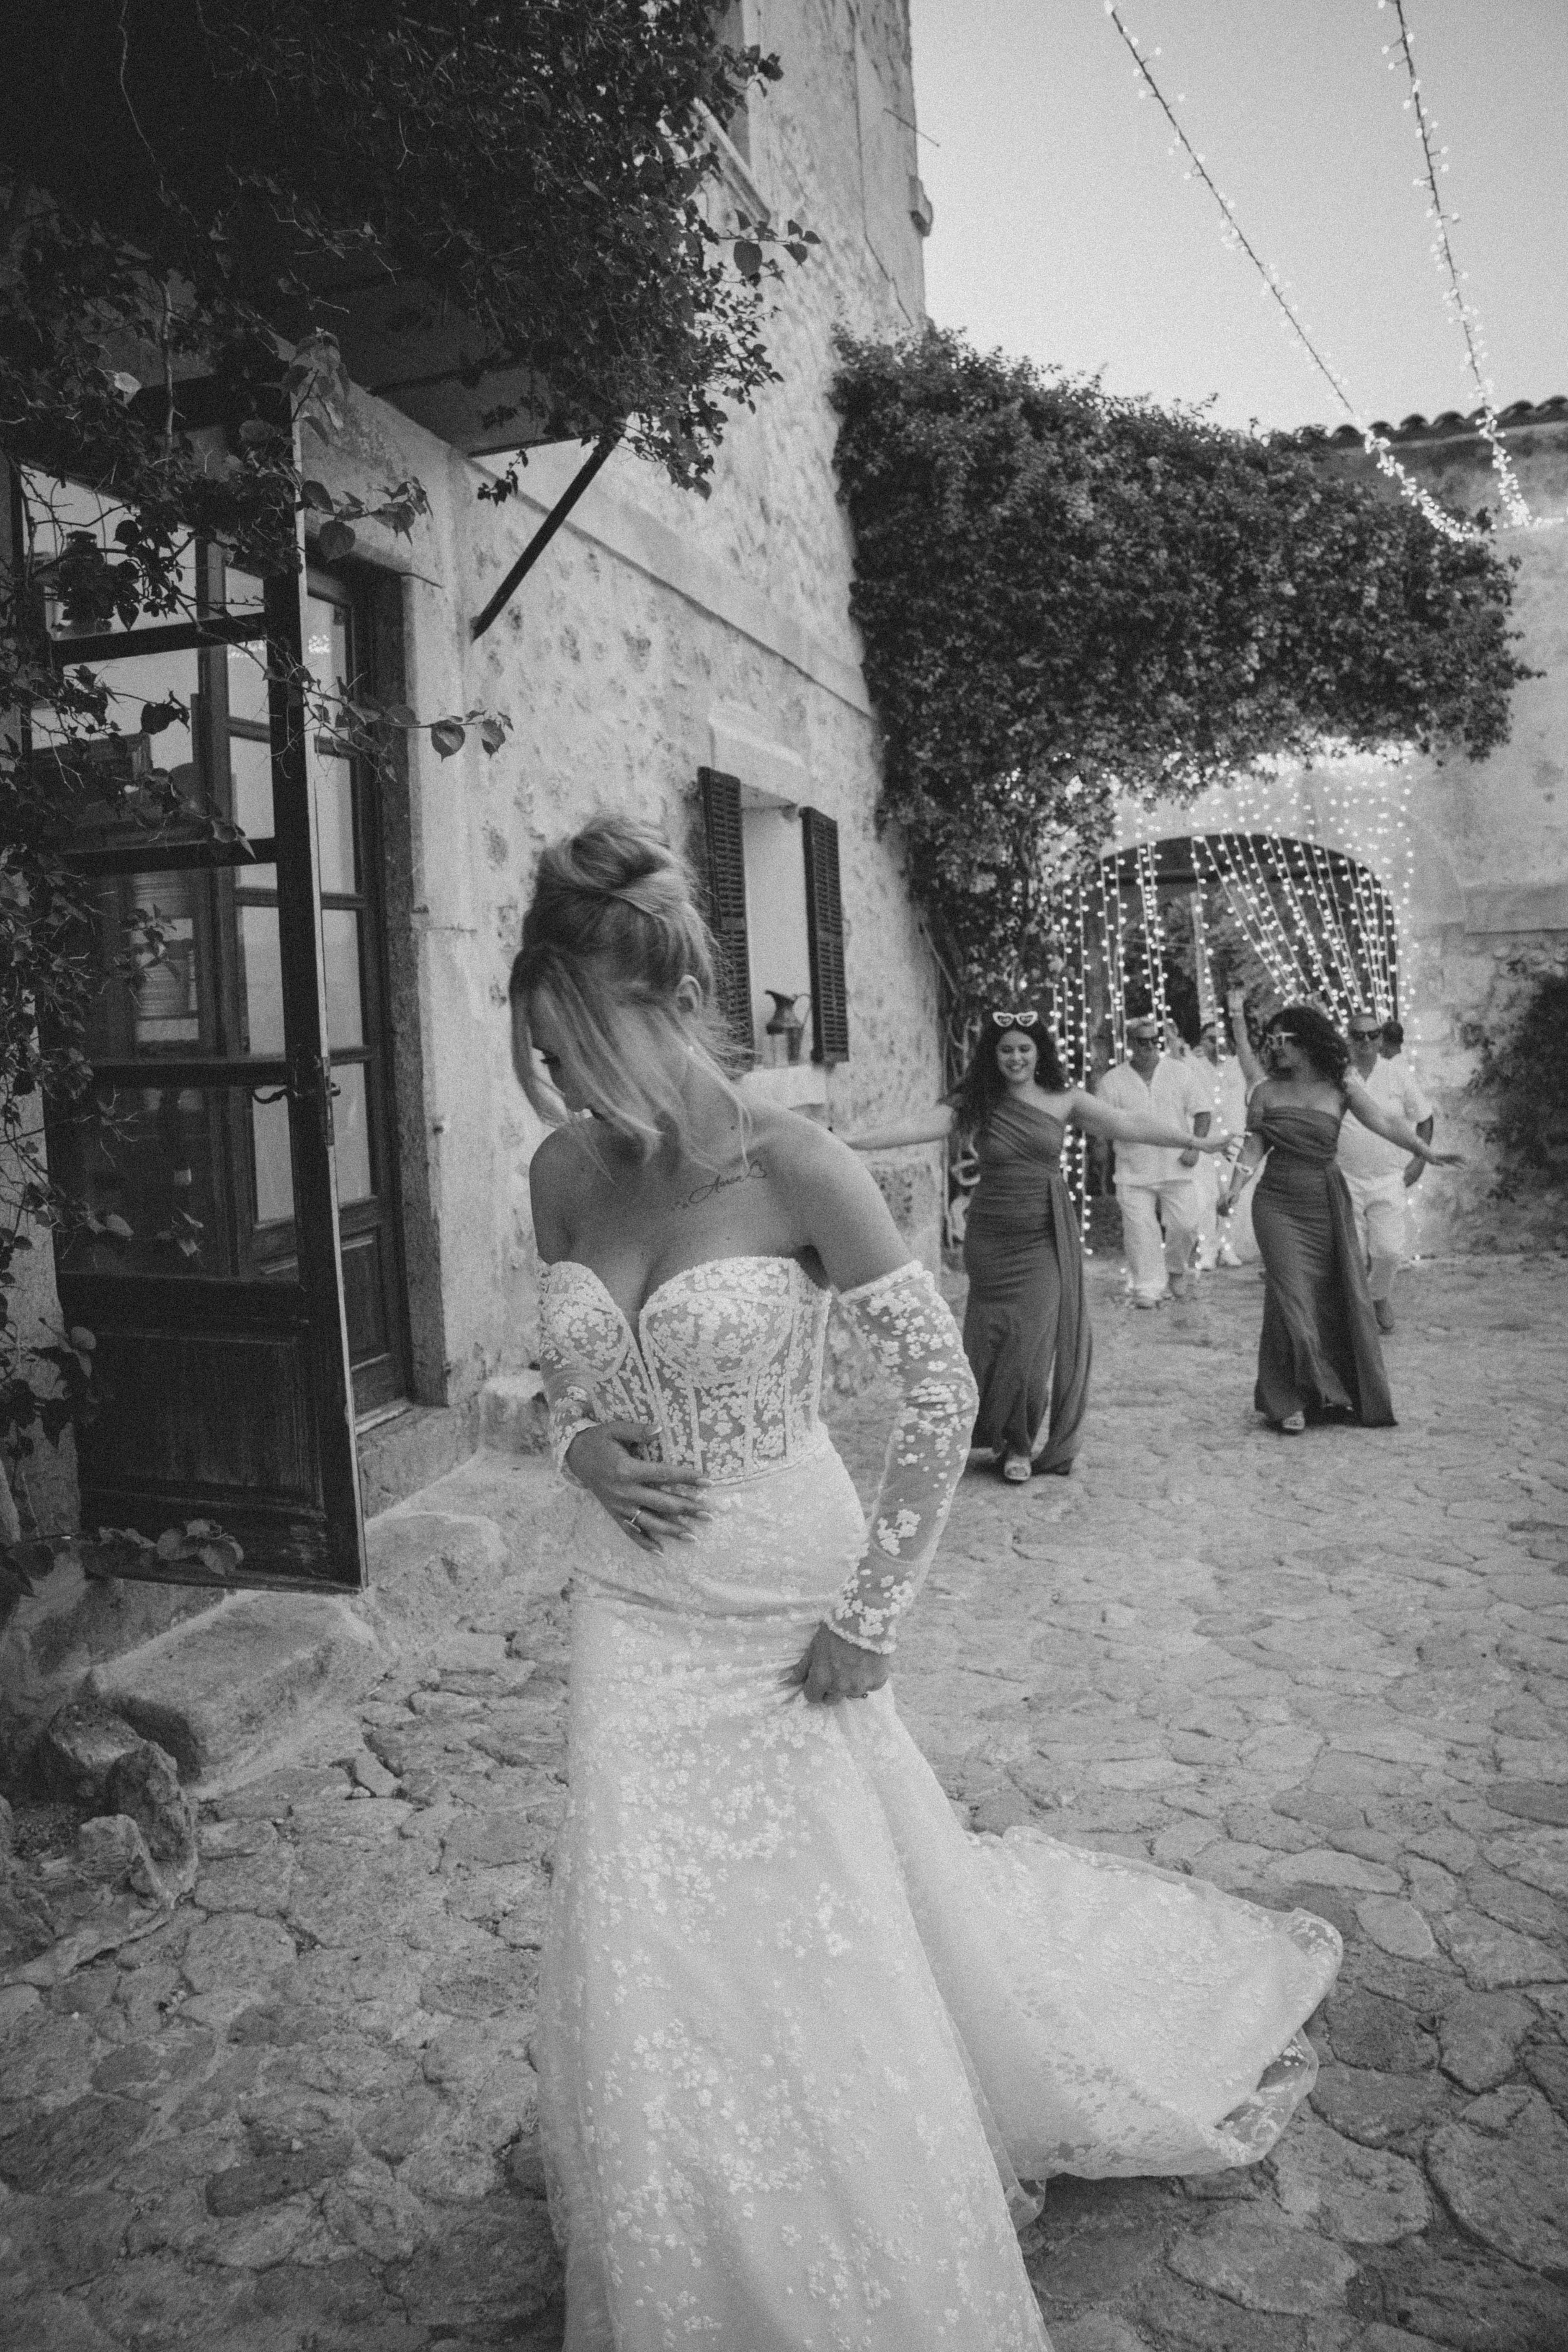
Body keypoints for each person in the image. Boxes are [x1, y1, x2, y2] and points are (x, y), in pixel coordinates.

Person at [514, 817, 1340, 2350]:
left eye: (571, 1034)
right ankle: (677, 2213)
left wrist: (869, 1616)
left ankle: (844, 2199)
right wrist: (574, 1447)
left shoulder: (796, 1160)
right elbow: (550, 1375)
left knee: (808, 1914)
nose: (556, 1072)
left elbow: (942, 1391)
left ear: (652, 1001)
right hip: (627, 1608)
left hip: (784, 1604)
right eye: (541, 1039)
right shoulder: (566, 1169)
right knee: (651, 1915)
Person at [843, 1006, 1232, 1482]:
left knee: (1031, 1348)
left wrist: (1200, 1141)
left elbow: (1127, 1124)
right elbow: (918, 1127)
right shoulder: (977, 1099)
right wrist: (855, 1142)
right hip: (991, 1236)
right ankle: (990, 1434)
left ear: (1039, 1052)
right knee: (988, 1343)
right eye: (1006, 1050)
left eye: (1024, 1049)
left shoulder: (1064, 1098)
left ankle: (1020, 1446)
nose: (1015, 1058)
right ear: (994, 1054)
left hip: (1044, 1235)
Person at [1218, 1003, 1460, 1434]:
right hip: (1276, 1204)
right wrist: (1234, 1189)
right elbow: (1255, 1146)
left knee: (1326, 1299)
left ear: (1305, 1043)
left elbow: (1386, 1121)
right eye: (1269, 1043)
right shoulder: (1265, 1093)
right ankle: (1288, 1399)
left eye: (1281, 1042)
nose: (1274, 1051)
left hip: (1325, 1202)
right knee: (1291, 1296)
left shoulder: (1341, 1086)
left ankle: (1324, 1392)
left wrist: (1424, 1152)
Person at [1096, 1014, 1215, 1307]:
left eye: (1154, 1041)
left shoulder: (1179, 1072)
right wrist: (1101, 1153)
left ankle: (1176, 1270)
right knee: (1141, 1232)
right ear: (1130, 1044)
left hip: (1177, 1166)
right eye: (1142, 1041)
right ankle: (1148, 1289)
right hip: (1133, 1170)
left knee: (1186, 1224)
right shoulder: (1113, 1080)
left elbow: (1203, 1111)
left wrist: (1195, 1148)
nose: (1149, 1046)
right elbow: (1100, 1122)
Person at [1338, 1009, 1434, 1334]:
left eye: (1372, 1035)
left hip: (1388, 1177)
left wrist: (1419, 1161)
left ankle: (1379, 1296)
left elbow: (1424, 1117)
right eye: (1358, 1035)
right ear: (1348, 1038)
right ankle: (1358, 1314)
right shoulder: (1338, 1075)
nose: (1366, 1041)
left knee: (1390, 1251)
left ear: (1380, 1038)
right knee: (1353, 1251)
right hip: (1345, 1177)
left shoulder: (1396, 1074)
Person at [1190, 1016, 1250, 1270]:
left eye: (1221, 1039)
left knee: (1231, 1196)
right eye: (1211, 1039)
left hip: (1234, 1139)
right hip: (1205, 1140)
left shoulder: (1238, 1066)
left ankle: (1229, 1247)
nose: (1217, 1045)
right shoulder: (1193, 1066)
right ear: (1202, 1043)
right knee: (1205, 1198)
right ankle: (1207, 1251)